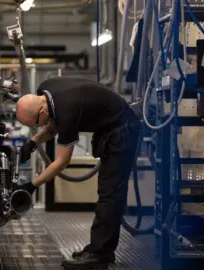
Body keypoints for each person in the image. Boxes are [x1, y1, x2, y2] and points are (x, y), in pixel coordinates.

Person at [15, 76, 142, 269]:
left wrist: (33, 185)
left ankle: (100, 255)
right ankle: (97, 249)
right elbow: (51, 126)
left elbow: (61, 162)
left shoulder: (67, 110)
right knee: (108, 194)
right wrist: (33, 142)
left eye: (35, 123)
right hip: (110, 129)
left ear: (41, 110)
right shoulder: (46, 90)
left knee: (110, 195)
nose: (38, 128)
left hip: (124, 131)